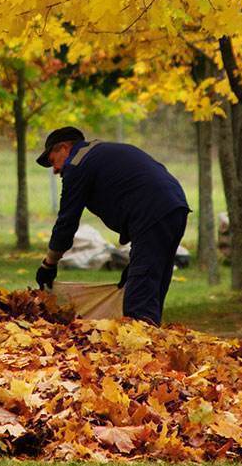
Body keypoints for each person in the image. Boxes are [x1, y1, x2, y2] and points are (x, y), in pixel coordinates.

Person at [34, 126, 190, 326]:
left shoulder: (77, 163)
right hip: (174, 207)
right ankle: (153, 341)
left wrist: (49, 263)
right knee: (152, 283)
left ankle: (143, 349)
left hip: (152, 212)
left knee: (138, 295)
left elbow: (67, 221)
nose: (55, 170)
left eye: (52, 161)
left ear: (64, 148)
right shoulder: (99, 153)